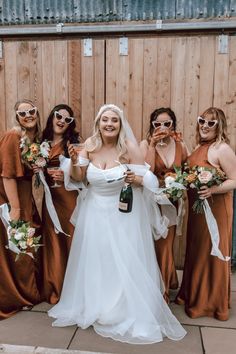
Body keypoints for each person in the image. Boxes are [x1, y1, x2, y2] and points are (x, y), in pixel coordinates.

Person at [48, 104, 186, 344]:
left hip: (123, 214)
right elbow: (81, 180)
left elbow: (150, 178)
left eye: (114, 120)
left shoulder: (129, 148)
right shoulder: (89, 146)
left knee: (121, 259)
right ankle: (96, 305)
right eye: (105, 120)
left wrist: (137, 178)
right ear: (98, 123)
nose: (109, 124)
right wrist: (73, 162)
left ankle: (121, 308)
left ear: (120, 125)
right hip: (94, 212)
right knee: (97, 259)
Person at [175, 107, 236, 321]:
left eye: (211, 122)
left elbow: (234, 180)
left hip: (216, 210)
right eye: (202, 120)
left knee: (211, 251)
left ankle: (209, 303)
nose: (205, 125)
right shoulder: (199, 147)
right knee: (197, 250)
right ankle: (192, 293)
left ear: (220, 126)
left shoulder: (222, 149)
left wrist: (212, 189)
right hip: (198, 210)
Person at [140, 108, 188, 303]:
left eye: (167, 123)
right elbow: (146, 173)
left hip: (172, 202)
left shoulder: (181, 145)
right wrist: (152, 144)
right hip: (151, 200)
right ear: (152, 125)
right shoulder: (145, 144)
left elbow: (187, 170)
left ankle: (164, 290)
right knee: (155, 244)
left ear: (173, 125)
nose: (162, 127)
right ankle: (153, 286)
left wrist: (179, 184)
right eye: (157, 124)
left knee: (166, 245)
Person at [0, 99, 42, 319]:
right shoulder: (12, 136)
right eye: (22, 113)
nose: (28, 115)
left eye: (31, 111)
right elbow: (6, 174)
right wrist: (15, 209)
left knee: (25, 243)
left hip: (25, 195)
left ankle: (27, 291)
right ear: (16, 117)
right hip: (11, 196)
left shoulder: (33, 140)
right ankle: (17, 295)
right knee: (19, 242)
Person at [41, 104, 80, 304]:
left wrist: (65, 174)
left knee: (71, 241)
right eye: (59, 116)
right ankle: (55, 287)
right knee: (53, 242)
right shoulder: (41, 143)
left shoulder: (71, 145)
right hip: (50, 199)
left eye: (67, 119)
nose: (62, 121)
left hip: (68, 199)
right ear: (52, 117)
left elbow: (81, 174)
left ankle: (74, 290)